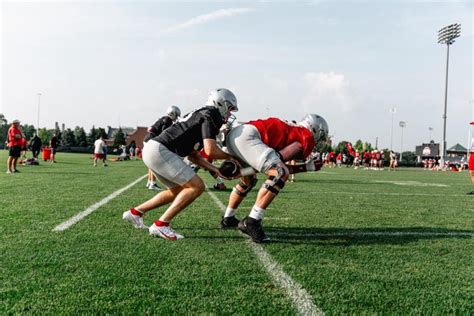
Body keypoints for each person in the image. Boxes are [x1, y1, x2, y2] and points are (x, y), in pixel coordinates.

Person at [123, 88, 239, 240]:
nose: (230, 114)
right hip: (161, 150)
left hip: (155, 150)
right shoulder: (211, 114)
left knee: (177, 190)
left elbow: (193, 156)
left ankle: (135, 213)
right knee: (197, 186)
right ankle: (161, 224)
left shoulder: (202, 114)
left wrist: (215, 169)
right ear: (220, 103)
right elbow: (211, 150)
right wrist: (234, 157)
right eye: (229, 109)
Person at [219, 114, 328, 243]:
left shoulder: (292, 128)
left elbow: (267, 166)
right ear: (314, 130)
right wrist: (306, 167)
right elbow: (279, 166)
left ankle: (228, 218)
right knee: (280, 172)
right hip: (248, 138)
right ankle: (252, 221)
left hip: (238, 134)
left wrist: (241, 172)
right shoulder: (305, 136)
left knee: (250, 180)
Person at [144, 105, 181, 191]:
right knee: (154, 163)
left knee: (151, 164)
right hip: (151, 141)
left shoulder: (164, 119)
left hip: (148, 139)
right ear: (173, 113)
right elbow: (163, 133)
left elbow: (150, 129)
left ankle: (150, 182)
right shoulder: (167, 120)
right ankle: (152, 184)